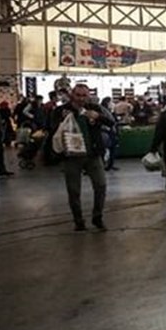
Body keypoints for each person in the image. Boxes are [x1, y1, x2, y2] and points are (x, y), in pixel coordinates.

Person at [47, 84, 114, 231]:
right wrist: (62, 121)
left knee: (101, 185)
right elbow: (52, 129)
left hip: (93, 154)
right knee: (73, 190)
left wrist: (98, 117)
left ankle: (97, 217)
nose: (81, 99)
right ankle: (78, 220)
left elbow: (111, 122)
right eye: (78, 95)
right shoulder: (61, 111)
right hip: (72, 157)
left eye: (84, 95)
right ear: (72, 95)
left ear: (89, 95)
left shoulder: (95, 109)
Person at [100, 97, 119, 171]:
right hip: (106, 132)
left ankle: (110, 164)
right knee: (106, 148)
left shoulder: (111, 111)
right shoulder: (104, 111)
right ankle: (106, 164)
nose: (112, 104)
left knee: (112, 149)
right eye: (111, 102)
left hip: (111, 132)